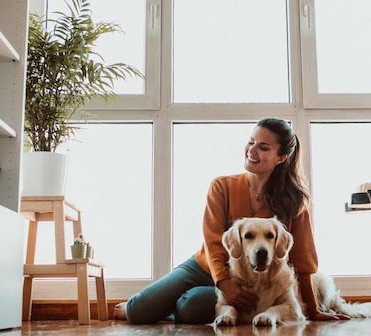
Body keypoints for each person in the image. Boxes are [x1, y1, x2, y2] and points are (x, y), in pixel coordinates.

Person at [114, 118, 348, 324]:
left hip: (251, 278)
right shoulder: (222, 186)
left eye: (263, 147)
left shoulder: (294, 202)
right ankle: (161, 305)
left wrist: (313, 309)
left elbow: (303, 262)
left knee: (191, 306)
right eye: (251, 141)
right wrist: (224, 282)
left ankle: (177, 307)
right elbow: (213, 241)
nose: (251, 150)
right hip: (206, 266)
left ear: (281, 158)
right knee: (137, 311)